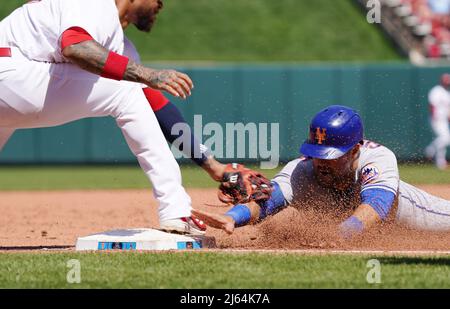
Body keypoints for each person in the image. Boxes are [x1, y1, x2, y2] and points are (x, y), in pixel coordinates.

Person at [0, 0, 207, 234]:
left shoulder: (119, 44)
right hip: (10, 73)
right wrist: (147, 74)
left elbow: (156, 105)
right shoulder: (95, 4)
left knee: (129, 90)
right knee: (126, 91)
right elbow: (74, 46)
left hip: (13, 81)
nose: (160, 3)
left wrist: (213, 166)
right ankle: (175, 210)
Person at [193, 105, 450, 239]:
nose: (321, 162)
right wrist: (233, 217)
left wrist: (339, 236)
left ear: (354, 151)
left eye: (331, 156)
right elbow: (268, 201)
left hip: (424, 216)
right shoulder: (301, 171)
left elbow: (376, 206)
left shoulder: (377, 158)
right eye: (316, 154)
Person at [425, 73, 450, 170]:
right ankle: (430, 150)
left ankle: (440, 163)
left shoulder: (447, 92)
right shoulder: (437, 90)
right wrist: (434, 116)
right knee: (446, 138)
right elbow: (432, 104)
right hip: (436, 119)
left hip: (443, 120)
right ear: (442, 80)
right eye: (446, 80)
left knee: (442, 139)